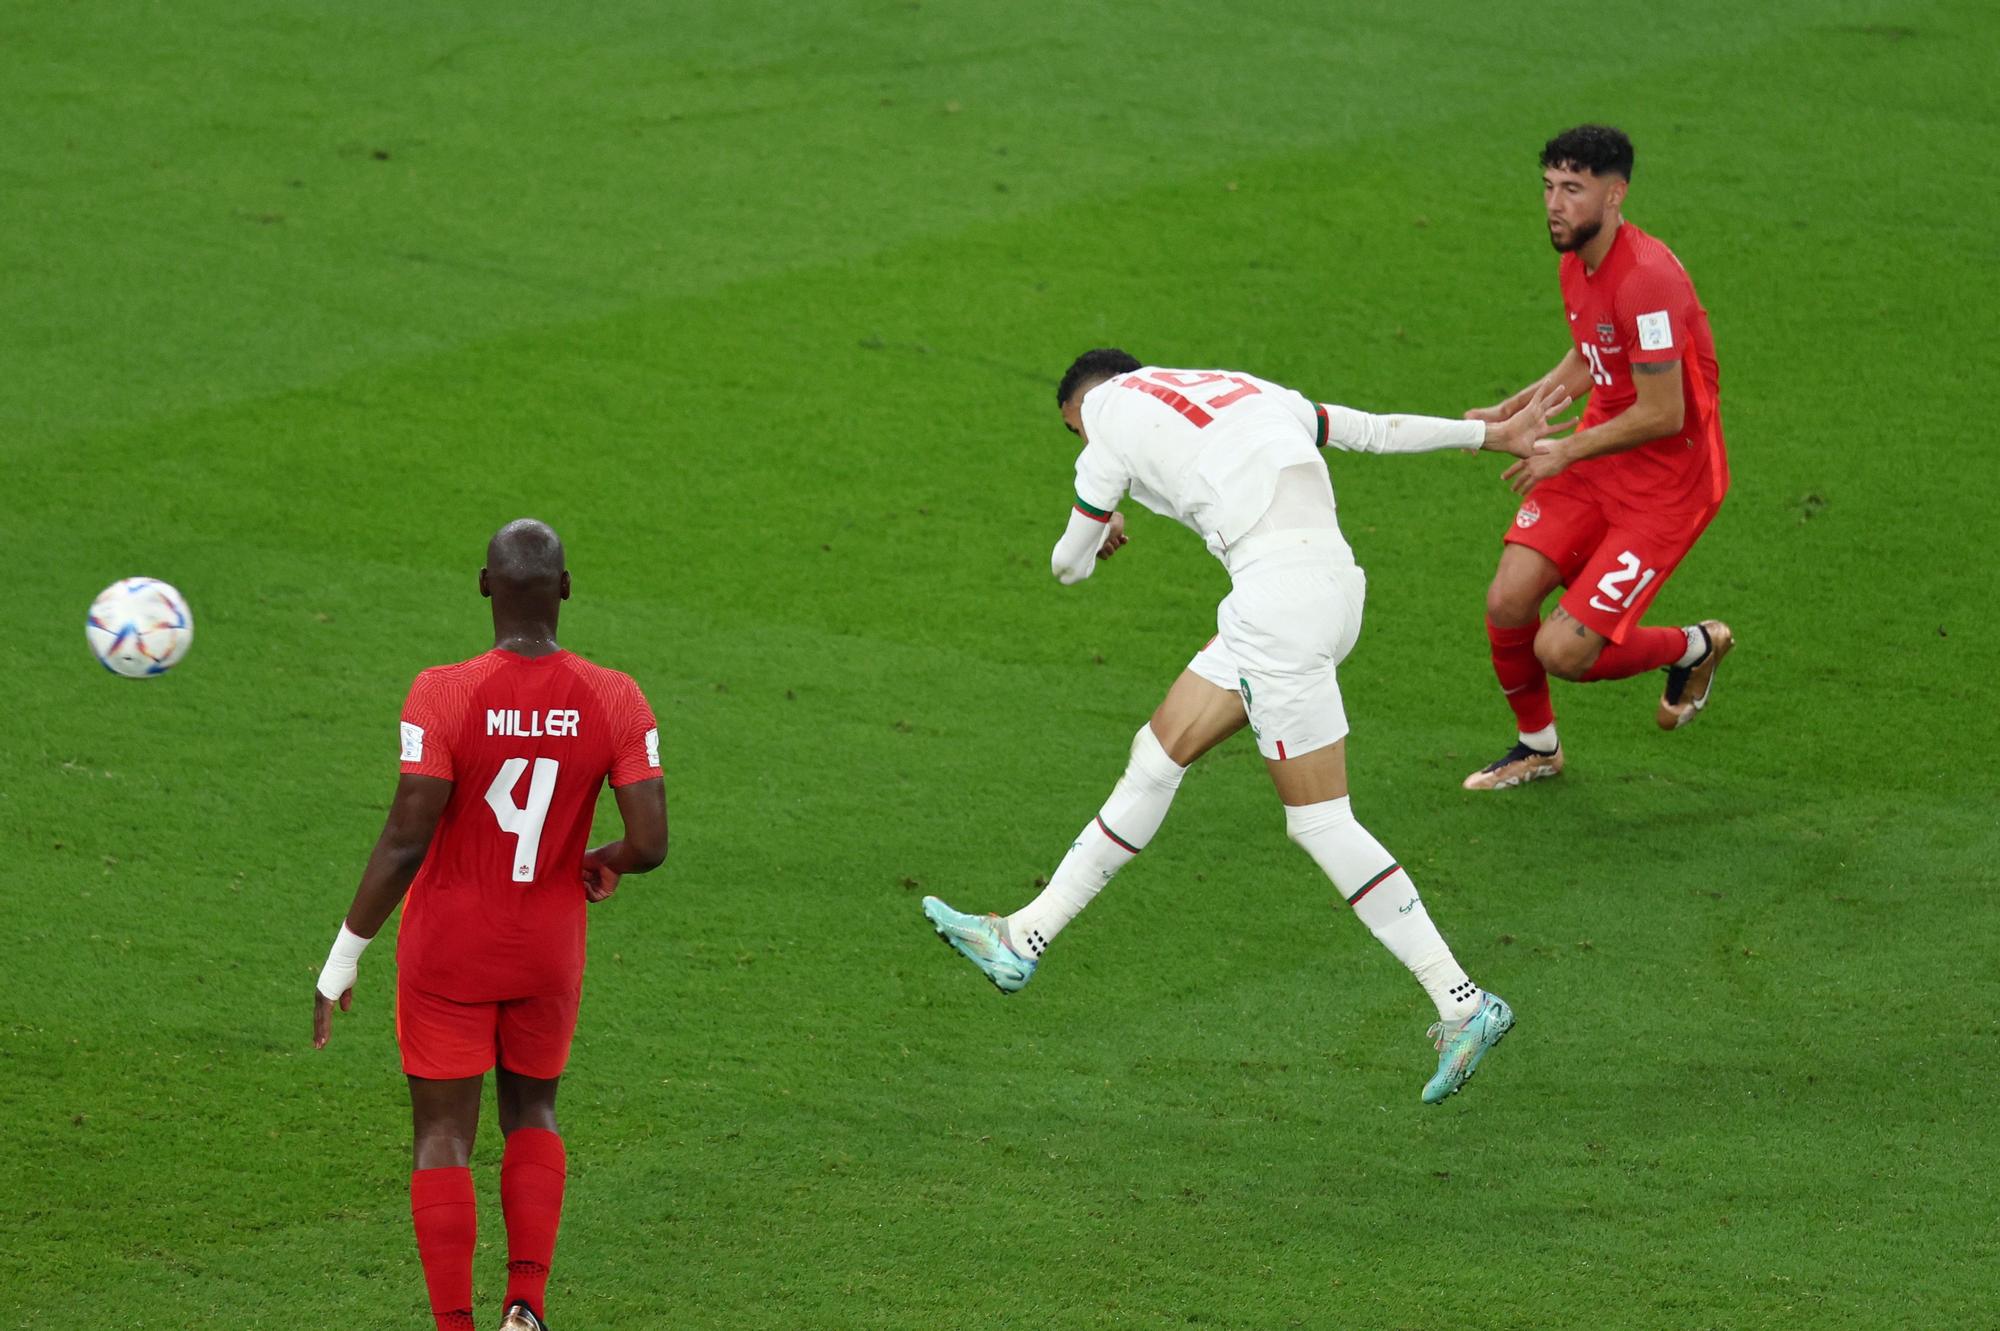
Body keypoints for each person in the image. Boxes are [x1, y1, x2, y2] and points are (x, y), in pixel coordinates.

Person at [923, 350, 1569, 1103]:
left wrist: (1101, 531)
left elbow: (1068, 567)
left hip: (1276, 609)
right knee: (1157, 754)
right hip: (1326, 588)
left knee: (1321, 822)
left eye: (1073, 428)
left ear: (1082, 405)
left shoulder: (1103, 425)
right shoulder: (1236, 385)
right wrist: (1487, 436)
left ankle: (1461, 999)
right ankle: (1023, 937)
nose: (1081, 439)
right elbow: (1367, 429)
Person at [312, 519, 669, 1331]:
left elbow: (406, 839)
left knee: (444, 1133)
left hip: (448, 951)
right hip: (546, 948)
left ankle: (454, 1325)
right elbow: (651, 842)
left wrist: (343, 954)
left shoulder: (442, 691)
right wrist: (599, 854)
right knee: (533, 1114)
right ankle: (527, 1306)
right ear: (567, 589)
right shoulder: (615, 695)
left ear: (484, 586)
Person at [1460, 124, 1734, 791]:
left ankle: (1696, 644)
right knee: (1508, 598)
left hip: (1670, 483)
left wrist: (1566, 450)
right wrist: (1519, 405)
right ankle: (1537, 746)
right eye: (1550, 186)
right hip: (1601, 457)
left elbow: (1665, 411)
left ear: (1616, 195)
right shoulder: (1575, 258)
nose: (1555, 204)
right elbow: (1592, 350)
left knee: (1563, 651)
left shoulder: (1648, 280)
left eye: (1573, 189)